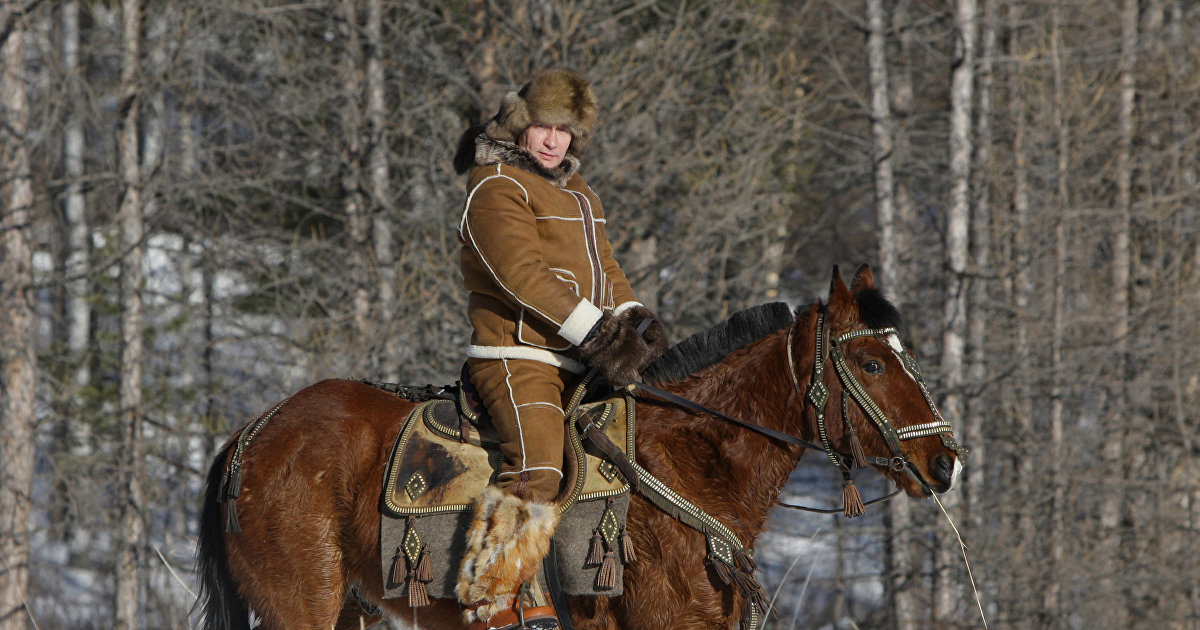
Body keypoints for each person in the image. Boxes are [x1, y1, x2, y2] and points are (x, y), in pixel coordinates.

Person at [452, 68, 667, 630]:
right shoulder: (495, 184)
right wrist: (598, 332)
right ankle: (495, 600)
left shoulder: (580, 193)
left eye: (566, 132)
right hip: (519, 357)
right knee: (539, 467)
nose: (554, 141)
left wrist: (631, 317)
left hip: (584, 360)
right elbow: (520, 274)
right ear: (521, 125)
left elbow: (606, 269)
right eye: (545, 127)